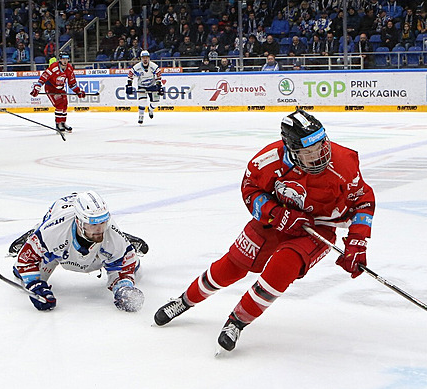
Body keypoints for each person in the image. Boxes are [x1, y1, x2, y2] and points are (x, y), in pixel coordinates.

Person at [154, 109, 375, 353]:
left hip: (317, 228)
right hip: (276, 219)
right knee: (233, 265)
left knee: (282, 267)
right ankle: (184, 300)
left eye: (321, 146)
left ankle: (237, 322)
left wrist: (357, 243)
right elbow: (250, 189)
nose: (318, 156)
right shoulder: (268, 161)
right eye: (308, 152)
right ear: (291, 149)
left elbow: (363, 202)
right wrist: (276, 214)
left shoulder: (344, 162)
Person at [10, 191, 145, 312]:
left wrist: (123, 288)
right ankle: (36, 231)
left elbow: (125, 268)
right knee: (20, 276)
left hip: (98, 250)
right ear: (79, 222)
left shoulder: (113, 235)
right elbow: (25, 261)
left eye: (103, 223)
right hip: (58, 239)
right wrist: (35, 286)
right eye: (93, 225)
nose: (100, 230)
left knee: (135, 271)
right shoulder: (53, 232)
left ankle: (122, 241)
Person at [30, 52, 86, 133]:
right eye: (63, 59)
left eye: (66, 59)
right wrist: (37, 88)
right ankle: (58, 124)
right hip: (51, 88)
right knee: (59, 105)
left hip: (60, 88)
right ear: (60, 59)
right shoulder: (54, 67)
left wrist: (78, 91)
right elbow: (44, 77)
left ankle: (63, 123)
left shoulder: (69, 68)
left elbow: (72, 83)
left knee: (65, 104)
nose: (65, 61)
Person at [126, 50, 163, 125]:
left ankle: (150, 109)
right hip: (142, 86)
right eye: (143, 57)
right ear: (141, 58)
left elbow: (158, 75)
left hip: (152, 85)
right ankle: (141, 115)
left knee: (155, 103)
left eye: (146, 57)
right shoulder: (137, 67)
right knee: (142, 101)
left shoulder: (153, 66)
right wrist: (129, 85)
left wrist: (159, 86)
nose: (145, 59)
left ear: (149, 58)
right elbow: (130, 75)